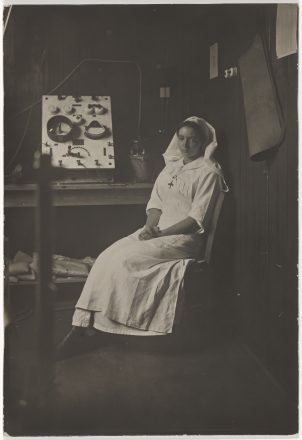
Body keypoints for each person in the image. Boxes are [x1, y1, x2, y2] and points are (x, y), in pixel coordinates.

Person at [57, 116, 228, 359]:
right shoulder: (171, 167)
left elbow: (195, 219)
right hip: (157, 233)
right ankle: (85, 325)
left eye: (192, 140)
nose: (185, 144)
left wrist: (162, 233)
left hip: (183, 240)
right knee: (106, 257)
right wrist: (149, 227)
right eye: (181, 138)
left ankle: (109, 327)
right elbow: (156, 203)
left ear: (203, 143)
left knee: (125, 261)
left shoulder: (208, 173)